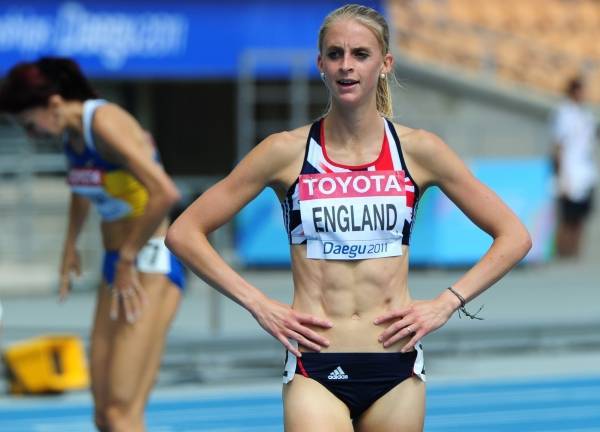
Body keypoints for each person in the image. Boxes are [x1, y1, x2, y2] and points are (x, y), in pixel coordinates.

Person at [166, 4, 531, 431]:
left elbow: (514, 235)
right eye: (335, 54)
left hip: (396, 367)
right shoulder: (285, 151)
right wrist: (258, 304)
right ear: (320, 64)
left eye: (360, 54)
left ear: (385, 63)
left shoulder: (419, 150)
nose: (346, 65)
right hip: (316, 364)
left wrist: (447, 303)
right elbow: (184, 232)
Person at [0, 57, 184, 432]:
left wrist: (128, 258)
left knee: (120, 411)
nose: (32, 134)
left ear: (53, 104)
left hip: (148, 263)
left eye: (29, 124)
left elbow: (165, 193)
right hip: (117, 264)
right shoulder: (72, 136)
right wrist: (70, 245)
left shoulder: (104, 122)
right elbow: (81, 185)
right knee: (104, 415)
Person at [551, 77, 598, 258]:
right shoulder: (564, 113)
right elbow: (559, 146)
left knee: (580, 217)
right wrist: (562, 175)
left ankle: (574, 254)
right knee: (566, 217)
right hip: (570, 172)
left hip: (585, 173)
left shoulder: (585, 114)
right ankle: (562, 253)